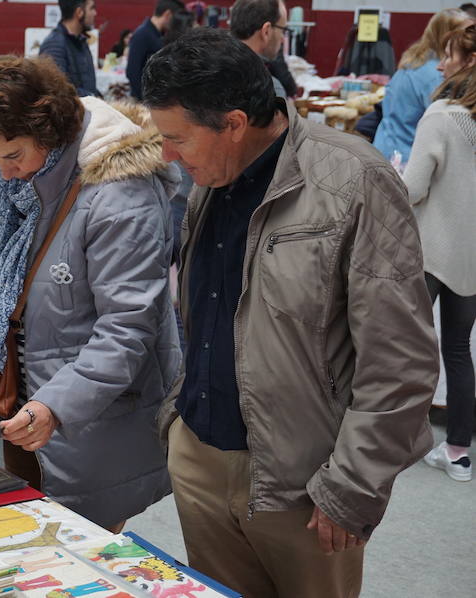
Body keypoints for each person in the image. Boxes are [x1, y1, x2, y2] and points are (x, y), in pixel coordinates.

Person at [144, 28, 438, 597]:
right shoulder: (213, 174)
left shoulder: (354, 180)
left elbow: (401, 360)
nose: (167, 155)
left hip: (304, 482)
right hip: (202, 458)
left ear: (233, 123)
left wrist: (352, 487)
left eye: (178, 138)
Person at [0, 56, 182, 531]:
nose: (3, 173)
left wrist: (56, 405)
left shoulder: (120, 196)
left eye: (12, 156)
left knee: (80, 546)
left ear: (49, 130)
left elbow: (126, 330)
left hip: (88, 420)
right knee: (26, 536)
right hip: (19, 404)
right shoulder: (20, 177)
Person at [404, 24, 476, 483]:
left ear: (467, 61)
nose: (441, 62)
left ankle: (395, 439)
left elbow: (412, 187)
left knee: (403, 349)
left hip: (429, 251)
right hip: (470, 256)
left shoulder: (441, 115)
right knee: (456, 350)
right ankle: (458, 451)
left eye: (449, 54)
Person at [373, 8, 472, 163]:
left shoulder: (411, 61)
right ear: (450, 36)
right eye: (466, 33)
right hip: (406, 159)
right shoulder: (437, 75)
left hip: (384, 150)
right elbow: (446, 130)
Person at [39, 0, 101, 97]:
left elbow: (86, 84)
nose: (95, 13)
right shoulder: (54, 45)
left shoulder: (81, 41)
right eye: (92, 8)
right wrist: (93, 98)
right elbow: (58, 91)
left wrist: (99, 97)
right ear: (79, 12)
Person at [229, 0, 290, 98]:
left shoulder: (204, 67)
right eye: (282, 30)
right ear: (266, 31)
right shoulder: (269, 90)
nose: (282, 39)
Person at [126, 0, 184, 100]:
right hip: (143, 101)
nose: (176, 23)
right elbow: (132, 71)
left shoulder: (157, 34)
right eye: (175, 19)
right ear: (168, 14)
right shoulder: (143, 34)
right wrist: (145, 99)